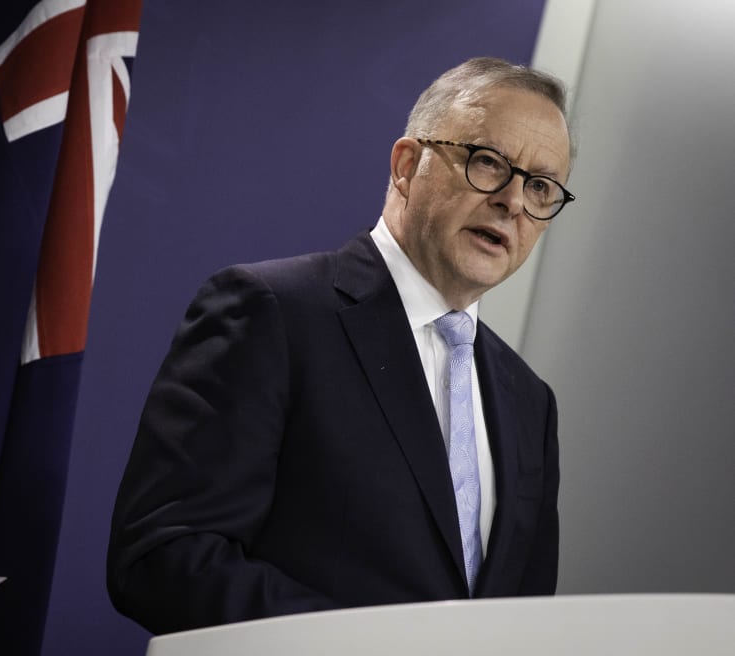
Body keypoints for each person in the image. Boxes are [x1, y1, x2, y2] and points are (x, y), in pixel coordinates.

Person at [107, 57, 573, 635]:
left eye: (540, 186)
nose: (512, 201)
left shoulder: (530, 402)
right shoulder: (272, 311)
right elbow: (163, 557)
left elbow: (522, 625)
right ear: (407, 166)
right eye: (487, 162)